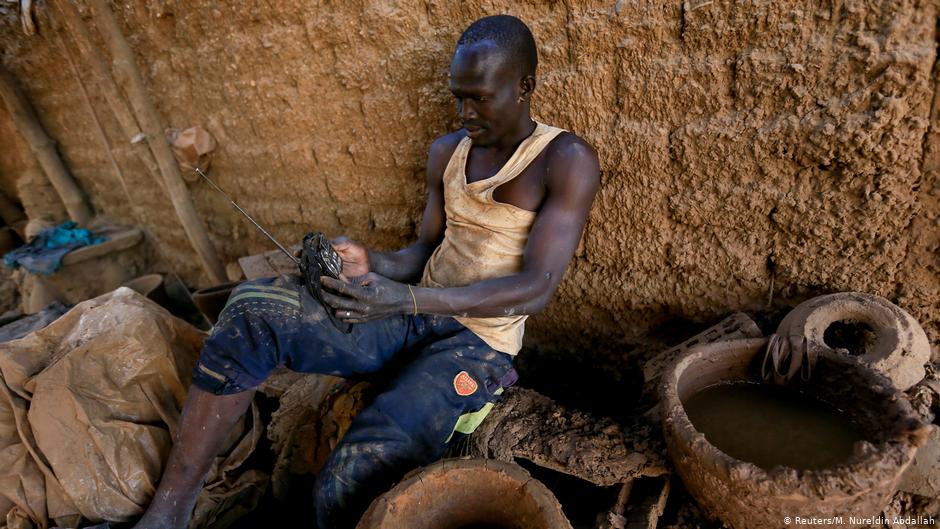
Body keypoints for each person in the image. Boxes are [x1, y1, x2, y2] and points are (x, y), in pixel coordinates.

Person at [131, 14, 600, 529]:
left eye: (480, 98)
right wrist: (371, 262)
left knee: (352, 476)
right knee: (251, 311)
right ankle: (170, 511)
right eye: (457, 96)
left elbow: (536, 290)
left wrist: (407, 299)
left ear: (525, 86)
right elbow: (423, 250)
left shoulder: (564, 158)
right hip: (413, 311)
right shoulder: (447, 153)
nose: (465, 111)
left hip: (478, 343)